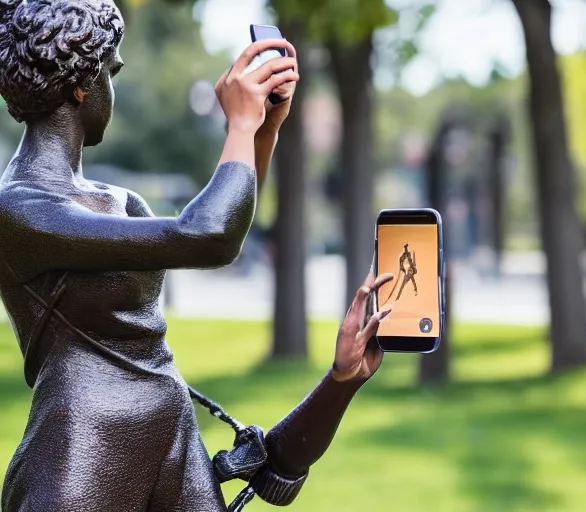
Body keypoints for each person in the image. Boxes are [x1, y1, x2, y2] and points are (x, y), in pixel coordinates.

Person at [0, 1, 392, 510]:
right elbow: (208, 235)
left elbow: (219, 230)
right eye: (111, 72)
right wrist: (240, 129)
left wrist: (263, 127)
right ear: (82, 82)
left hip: (167, 432)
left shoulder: (120, 203)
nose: (111, 91)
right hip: (82, 453)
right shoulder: (18, 209)